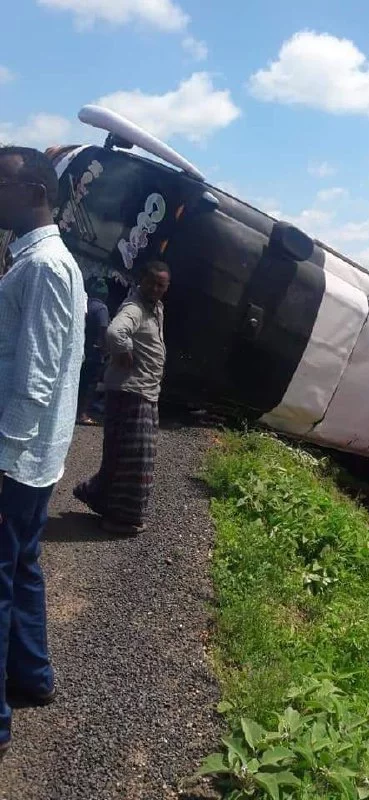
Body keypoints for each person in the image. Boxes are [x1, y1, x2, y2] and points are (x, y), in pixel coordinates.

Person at [0, 146, 86, 755]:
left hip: (17, 460)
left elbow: (35, 380)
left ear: (34, 193)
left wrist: (2, 460)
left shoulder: (45, 267)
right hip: (32, 457)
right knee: (22, 566)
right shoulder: (36, 261)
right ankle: (32, 677)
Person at [73, 261, 170, 536]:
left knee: (123, 456)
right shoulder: (134, 308)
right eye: (151, 282)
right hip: (131, 393)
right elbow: (115, 332)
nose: (155, 288)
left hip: (144, 391)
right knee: (135, 461)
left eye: (161, 285)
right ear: (142, 281)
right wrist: (124, 349)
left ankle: (100, 499)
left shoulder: (156, 309)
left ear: (166, 287)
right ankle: (120, 519)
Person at [77, 276, 110, 425]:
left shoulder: (85, 305)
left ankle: (76, 411)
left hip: (82, 348)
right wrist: (104, 348)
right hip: (95, 352)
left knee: (81, 382)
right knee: (91, 384)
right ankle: (83, 414)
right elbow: (103, 328)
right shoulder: (101, 308)